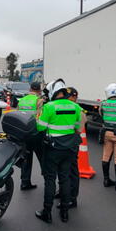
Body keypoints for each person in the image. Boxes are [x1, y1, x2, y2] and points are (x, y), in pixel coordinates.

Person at [35, 79, 82, 223]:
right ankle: (64, 213)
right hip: (69, 149)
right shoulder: (76, 107)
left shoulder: (49, 106)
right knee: (65, 179)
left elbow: (40, 128)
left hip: (53, 148)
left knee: (50, 180)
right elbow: (77, 128)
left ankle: (47, 212)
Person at [57, 86, 85, 209]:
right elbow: (79, 128)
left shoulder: (77, 109)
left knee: (68, 171)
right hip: (67, 143)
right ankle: (66, 195)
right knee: (66, 170)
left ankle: (70, 198)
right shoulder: (75, 108)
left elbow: (79, 128)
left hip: (65, 144)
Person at [16, 81, 43, 190]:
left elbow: (17, 116)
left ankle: (25, 182)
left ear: (30, 89)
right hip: (35, 134)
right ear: (39, 90)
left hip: (23, 134)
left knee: (26, 158)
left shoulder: (22, 100)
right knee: (43, 158)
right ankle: (48, 181)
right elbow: (40, 118)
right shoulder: (39, 101)